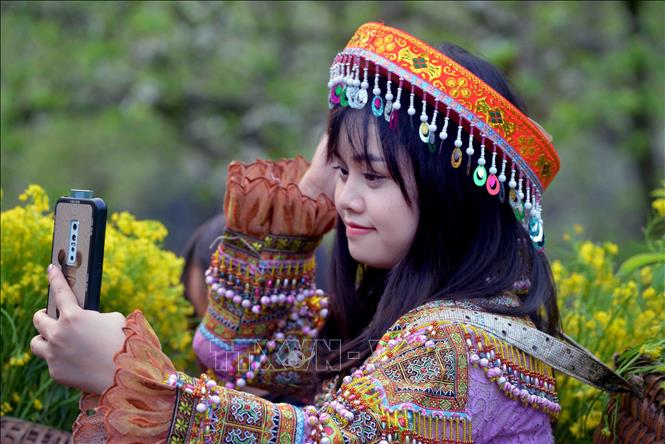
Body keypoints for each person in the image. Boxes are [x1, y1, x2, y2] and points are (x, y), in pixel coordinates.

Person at [32, 22, 567, 443]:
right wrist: (307, 198)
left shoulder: (456, 344)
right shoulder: (403, 317)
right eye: (342, 171)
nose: (346, 199)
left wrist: (136, 381)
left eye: (374, 175)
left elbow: (323, 438)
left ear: (453, 195)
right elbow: (242, 359)